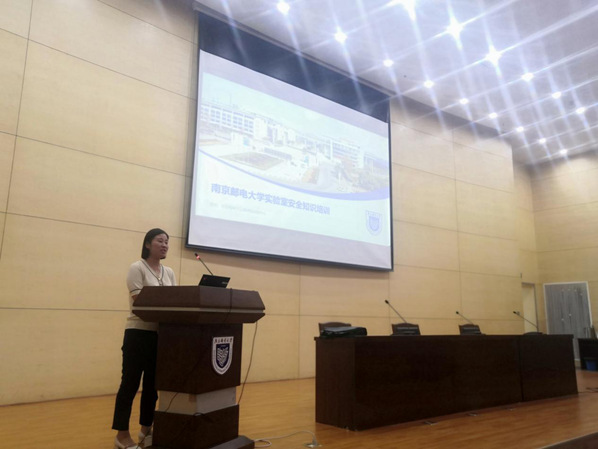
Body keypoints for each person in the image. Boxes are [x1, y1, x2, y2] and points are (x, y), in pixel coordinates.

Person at [112, 228, 176, 449]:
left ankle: (146, 429)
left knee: (152, 386)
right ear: (148, 244)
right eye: (160, 241)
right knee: (129, 384)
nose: (165, 245)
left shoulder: (169, 272)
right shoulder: (137, 268)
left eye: (167, 242)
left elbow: (175, 301)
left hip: (160, 335)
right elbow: (139, 301)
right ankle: (121, 435)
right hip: (138, 333)